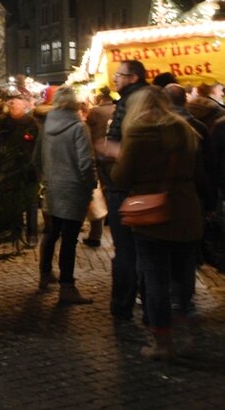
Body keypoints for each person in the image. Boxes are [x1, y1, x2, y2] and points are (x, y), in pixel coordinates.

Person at [112, 86, 203, 360]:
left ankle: (162, 342)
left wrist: (117, 156)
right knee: (183, 278)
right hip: (186, 210)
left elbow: (121, 178)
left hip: (152, 215)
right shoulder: (186, 130)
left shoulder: (138, 133)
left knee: (155, 280)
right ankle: (184, 331)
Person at [95, 60, 148, 320]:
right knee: (146, 249)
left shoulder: (129, 103)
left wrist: (110, 152)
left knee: (126, 249)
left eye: (119, 74)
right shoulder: (135, 102)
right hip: (145, 190)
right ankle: (152, 308)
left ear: (134, 77)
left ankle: (122, 305)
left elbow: (122, 148)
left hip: (125, 188)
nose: (115, 78)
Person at [36, 86, 95, 305]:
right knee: (69, 239)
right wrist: (90, 184)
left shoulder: (45, 126)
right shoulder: (79, 127)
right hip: (73, 188)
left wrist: (46, 177)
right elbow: (85, 162)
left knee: (52, 232)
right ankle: (67, 287)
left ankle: (45, 274)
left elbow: (36, 158)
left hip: (52, 187)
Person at [0, 93, 40, 246]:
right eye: (10, 104)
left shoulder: (32, 123)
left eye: (15, 103)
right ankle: (16, 231)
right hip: (11, 167)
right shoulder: (4, 123)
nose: (12, 106)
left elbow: (37, 145)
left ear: (24, 105)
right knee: (13, 199)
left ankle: (32, 234)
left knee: (31, 202)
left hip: (29, 167)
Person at [83, 88, 115, 247]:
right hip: (113, 153)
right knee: (111, 188)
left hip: (99, 152)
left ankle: (97, 230)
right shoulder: (116, 109)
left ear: (100, 99)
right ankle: (111, 217)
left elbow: (88, 131)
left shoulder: (95, 112)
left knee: (100, 192)